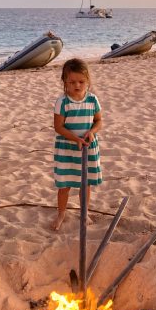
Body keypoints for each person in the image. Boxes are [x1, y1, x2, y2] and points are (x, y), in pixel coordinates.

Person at [52, 58, 103, 231]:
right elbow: (58, 127)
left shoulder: (92, 100)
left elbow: (98, 121)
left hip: (87, 146)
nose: (77, 85)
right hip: (68, 147)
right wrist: (75, 139)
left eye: (81, 82)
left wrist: (92, 132)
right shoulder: (63, 102)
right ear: (64, 81)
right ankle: (61, 214)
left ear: (87, 80)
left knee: (84, 183)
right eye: (72, 82)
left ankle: (84, 212)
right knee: (64, 184)